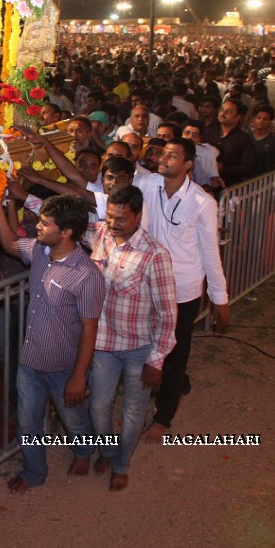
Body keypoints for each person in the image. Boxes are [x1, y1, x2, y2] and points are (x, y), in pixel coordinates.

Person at [0, 194, 103, 492]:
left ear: (66, 232)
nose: (37, 227)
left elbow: (89, 329)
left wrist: (78, 377)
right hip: (29, 360)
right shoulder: (40, 251)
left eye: (45, 223)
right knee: (28, 422)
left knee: (73, 418)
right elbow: (9, 244)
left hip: (63, 367)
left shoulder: (87, 275)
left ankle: (84, 450)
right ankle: (34, 472)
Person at [84, 185, 176, 491]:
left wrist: (157, 359)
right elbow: (66, 221)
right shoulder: (99, 234)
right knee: (99, 406)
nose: (113, 223)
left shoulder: (155, 254)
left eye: (121, 219)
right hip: (103, 345)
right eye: (110, 216)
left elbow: (167, 312)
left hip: (139, 349)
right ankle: (109, 450)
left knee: (133, 410)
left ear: (137, 216)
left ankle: (121, 463)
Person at [138, 139, 230, 443]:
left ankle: (163, 417)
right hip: (149, 283)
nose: (163, 158)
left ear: (188, 164)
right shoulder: (147, 185)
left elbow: (210, 253)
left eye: (171, 155)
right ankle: (172, 386)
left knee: (175, 353)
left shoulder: (203, 203)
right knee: (150, 347)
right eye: (162, 154)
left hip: (183, 290)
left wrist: (220, 299)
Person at [202, 99, 256, 190]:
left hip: (229, 187)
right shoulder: (209, 132)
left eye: (229, 111)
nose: (223, 113)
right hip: (206, 184)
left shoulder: (243, 139)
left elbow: (248, 167)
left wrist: (224, 168)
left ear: (237, 117)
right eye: (222, 110)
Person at [249, 104, 275, 174]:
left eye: (265, 119)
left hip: (266, 180)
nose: (261, 121)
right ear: (253, 120)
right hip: (245, 180)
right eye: (259, 118)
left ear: (270, 123)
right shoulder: (246, 137)